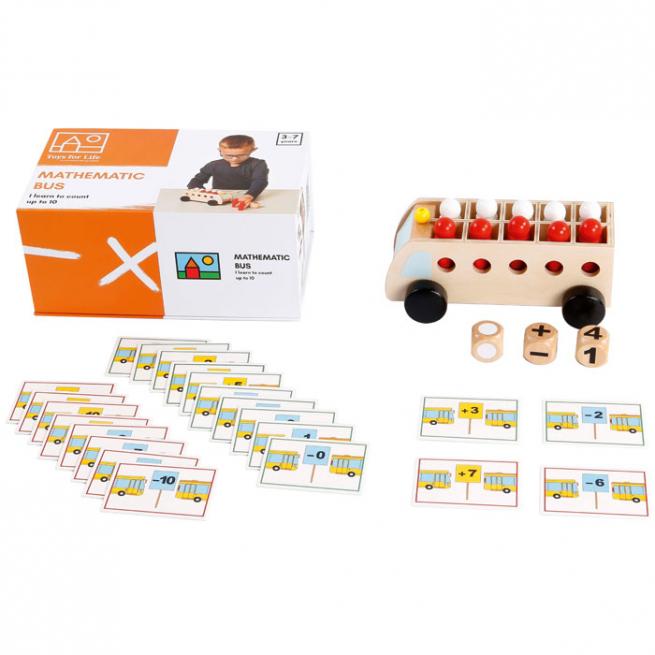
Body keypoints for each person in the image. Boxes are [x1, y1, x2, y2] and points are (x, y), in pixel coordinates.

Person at [187, 135, 268, 209]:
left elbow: (260, 181)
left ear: (252, 150)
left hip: (245, 196)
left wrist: (249, 196)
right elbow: (196, 180)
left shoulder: (258, 164)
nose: (234, 159)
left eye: (242, 155)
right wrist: (202, 193)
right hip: (219, 198)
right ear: (220, 151)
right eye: (229, 155)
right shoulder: (213, 165)